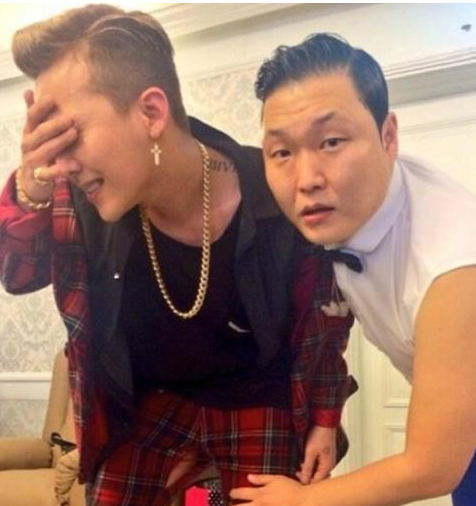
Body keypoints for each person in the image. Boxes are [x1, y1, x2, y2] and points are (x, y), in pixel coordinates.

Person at [0, 8, 358, 506]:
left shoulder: (274, 189)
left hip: (258, 395)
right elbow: (18, 275)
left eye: (70, 135)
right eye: (49, 139)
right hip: (147, 401)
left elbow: (325, 317)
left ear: (151, 113)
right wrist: (28, 188)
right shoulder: (73, 200)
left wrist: (324, 419)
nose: (62, 163)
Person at [229, 33, 476, 506]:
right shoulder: (334, 215)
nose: (306, 180)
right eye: (282, 152)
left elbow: (431, 468)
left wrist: (300, 502)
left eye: (332, 141)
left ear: (388, 136)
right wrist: (325, 422)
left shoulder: (453, 263)